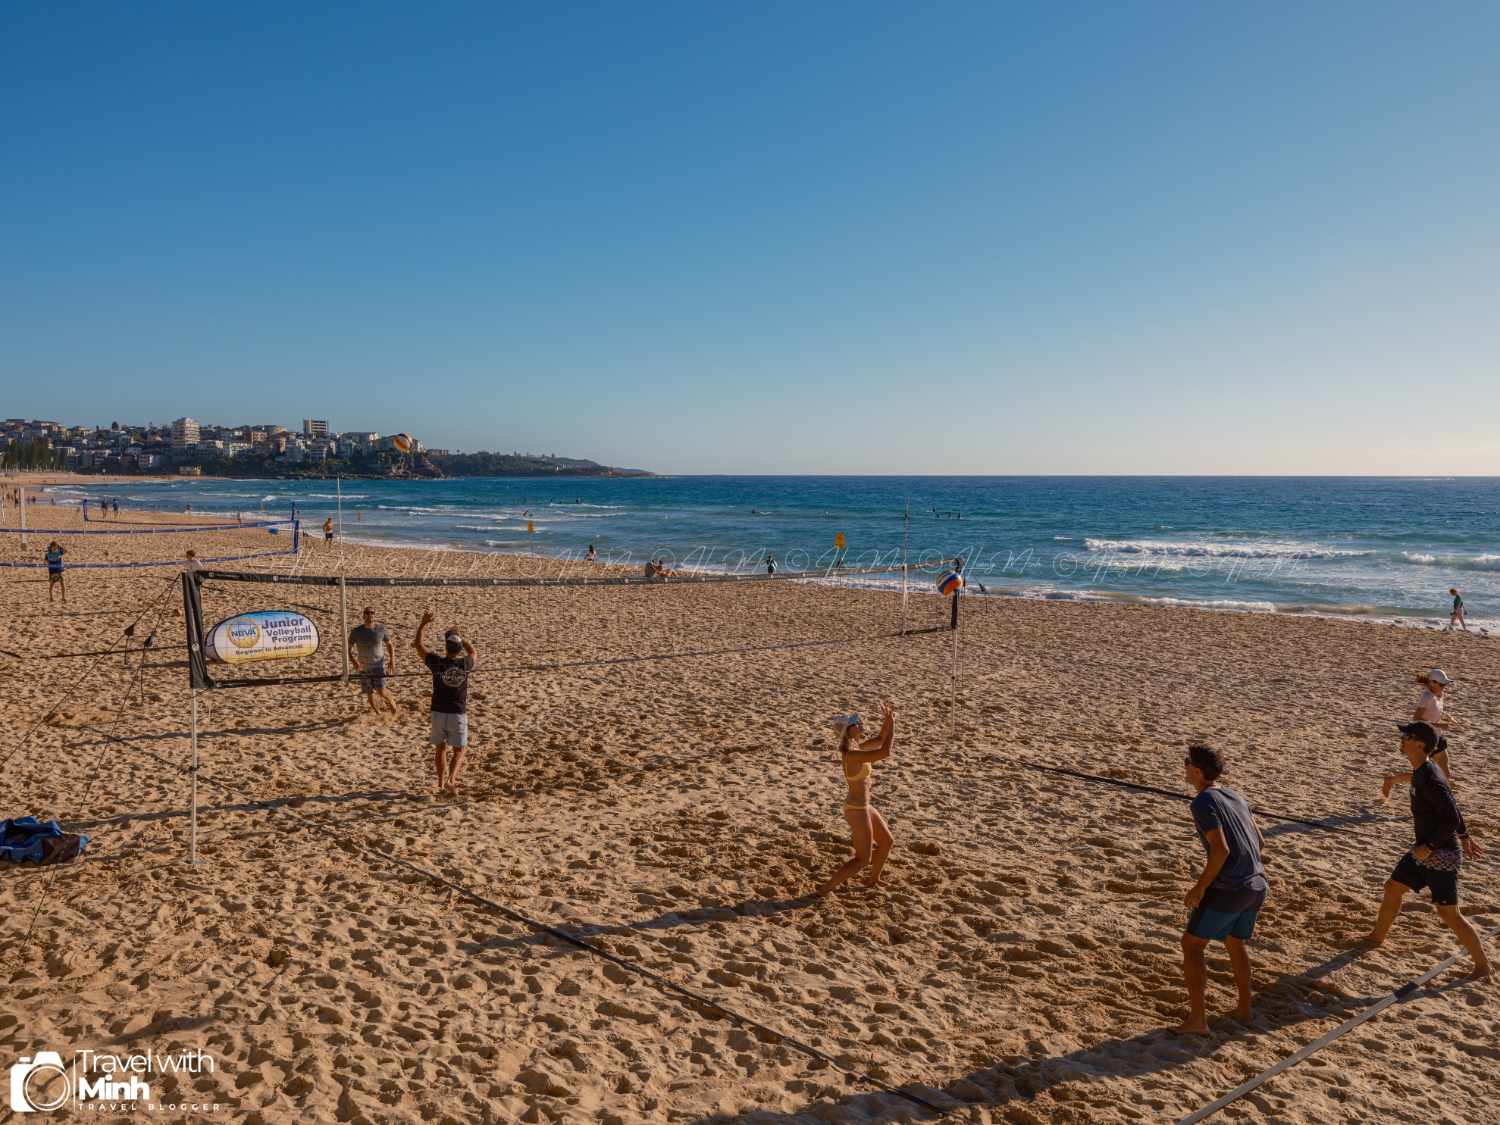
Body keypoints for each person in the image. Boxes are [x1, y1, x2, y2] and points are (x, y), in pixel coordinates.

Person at [1360, 722, 1491, 978]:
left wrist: (1433, 845)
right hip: (1422, 850)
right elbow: (1452, 806)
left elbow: (1450, 817)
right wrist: (1464, 836)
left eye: (1406, 736)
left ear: (1419, 744)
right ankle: (1376, 936)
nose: (1401, 738)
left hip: (1439, 854)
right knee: (1392, 887)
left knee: (1449, 914)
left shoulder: (1430, 778)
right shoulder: (1421, 770)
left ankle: (1483, 966)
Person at [1175, 745, 1268, 1035]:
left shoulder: (1202, 802)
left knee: (1192, 945)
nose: (1184, 766)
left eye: (1186, 762)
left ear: (1197, 771)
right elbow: (1260, 844)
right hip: (1257, 884)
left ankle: (1198, 1021)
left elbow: (1221, 850)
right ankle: (1244, 1009)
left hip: (1231, 888)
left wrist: (1199, 888)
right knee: (1234, 942)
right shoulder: (1236, 795)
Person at [817, 700, 898, 895]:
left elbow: (880, 739)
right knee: (863, 859)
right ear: (848, 732)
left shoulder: (858, 746)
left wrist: (888, 720)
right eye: (854, 723)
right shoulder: (852, 754)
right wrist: (893, 725)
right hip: (856, 809)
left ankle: (874, 879)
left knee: (887, 841)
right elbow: (885, 751)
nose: (859, 723)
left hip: (864, 806)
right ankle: (826, 889)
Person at [414, 610, 475, 795]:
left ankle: (440, 784)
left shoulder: (437, 663)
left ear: (446, 648)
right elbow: (473, 651)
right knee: (460, 750)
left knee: (441, 748)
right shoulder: (465, 664)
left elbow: (418, 644)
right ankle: (450, 780)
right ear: (459, 650)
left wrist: (424, 623)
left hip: (439, 713)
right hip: (457, 713)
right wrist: (461, 637)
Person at [1381, 669, 1460, 800]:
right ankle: (1391, 781)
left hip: (1437, 737)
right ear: (1431, 682)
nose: (1444, 686)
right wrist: (1439, 725)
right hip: (1425, 738)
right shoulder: (1426, 697)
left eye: (1445, 684)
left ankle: (1437, 799)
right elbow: (1417, 719)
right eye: (1441, 684)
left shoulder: (1440, 694)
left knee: (1445, 774)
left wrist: (1448, 717)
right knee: (1422, 773)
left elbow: (1436, 711)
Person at [348, 607, 398, 715]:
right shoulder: (356, 631)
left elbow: (389, 644)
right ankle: (378, 713)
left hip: (378, 665)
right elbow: (347, 649)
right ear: (363, 616)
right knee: (370, 693)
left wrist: (392, 660)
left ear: (374, 615)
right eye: (367, 613)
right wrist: (353, 660)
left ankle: (391, 702)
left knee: (381, 689)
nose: (370, 614)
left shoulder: (381, 629)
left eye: (372, 612)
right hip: (363, 667)